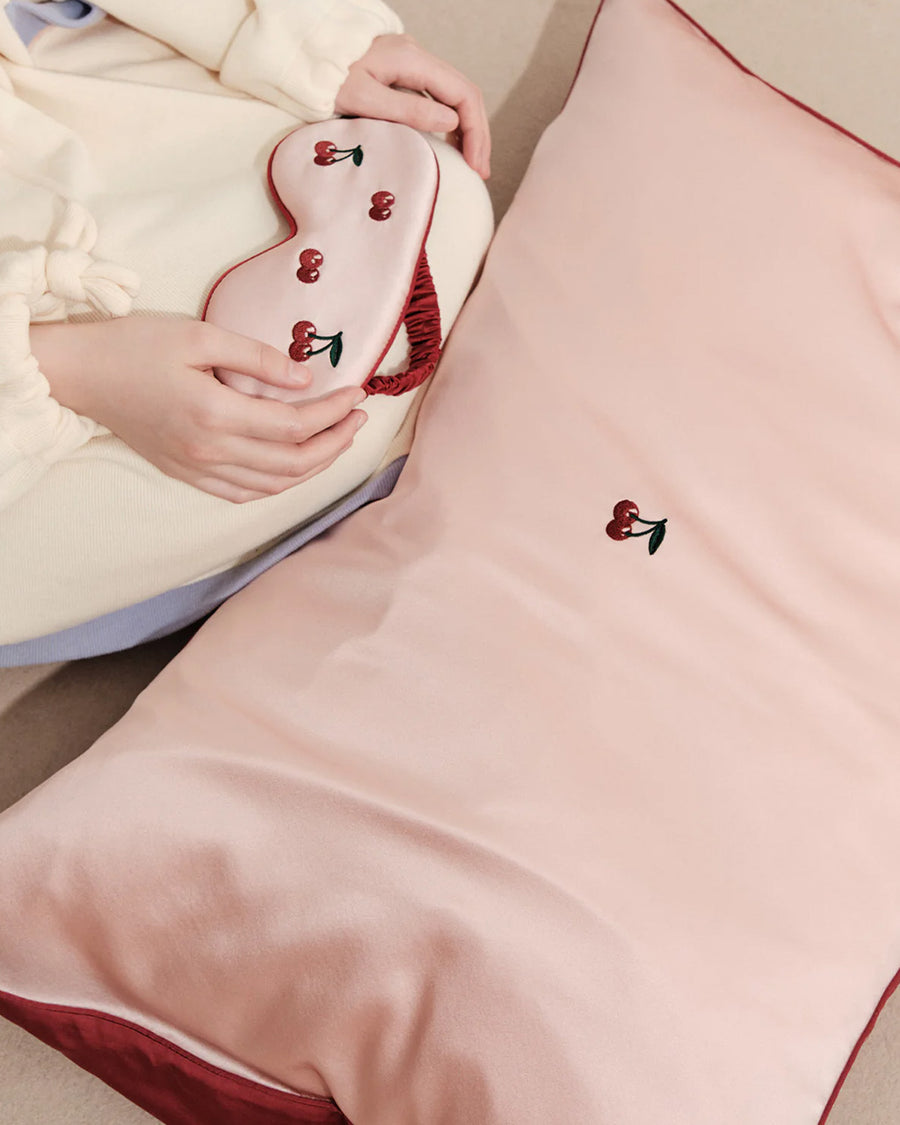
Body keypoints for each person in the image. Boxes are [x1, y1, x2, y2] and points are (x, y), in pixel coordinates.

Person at [0, 0, 494, 660]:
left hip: (58, 101)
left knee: (432, 195)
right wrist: (67, 365)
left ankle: (347, 453)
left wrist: (289, 34)